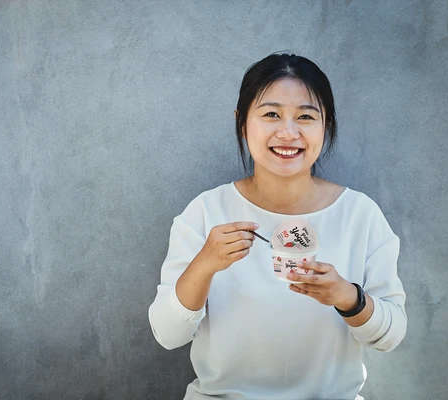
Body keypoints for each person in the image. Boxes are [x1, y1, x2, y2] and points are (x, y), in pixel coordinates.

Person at [148, 53, 407, 400]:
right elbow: (167, 334)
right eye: (271, 114)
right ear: (242, 122)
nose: (288, 132)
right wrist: (204, 265)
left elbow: (390, 337)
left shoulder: (360, 215)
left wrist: (348, 298)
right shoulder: (206, 212)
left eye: (305, 117)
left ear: (325, 125)